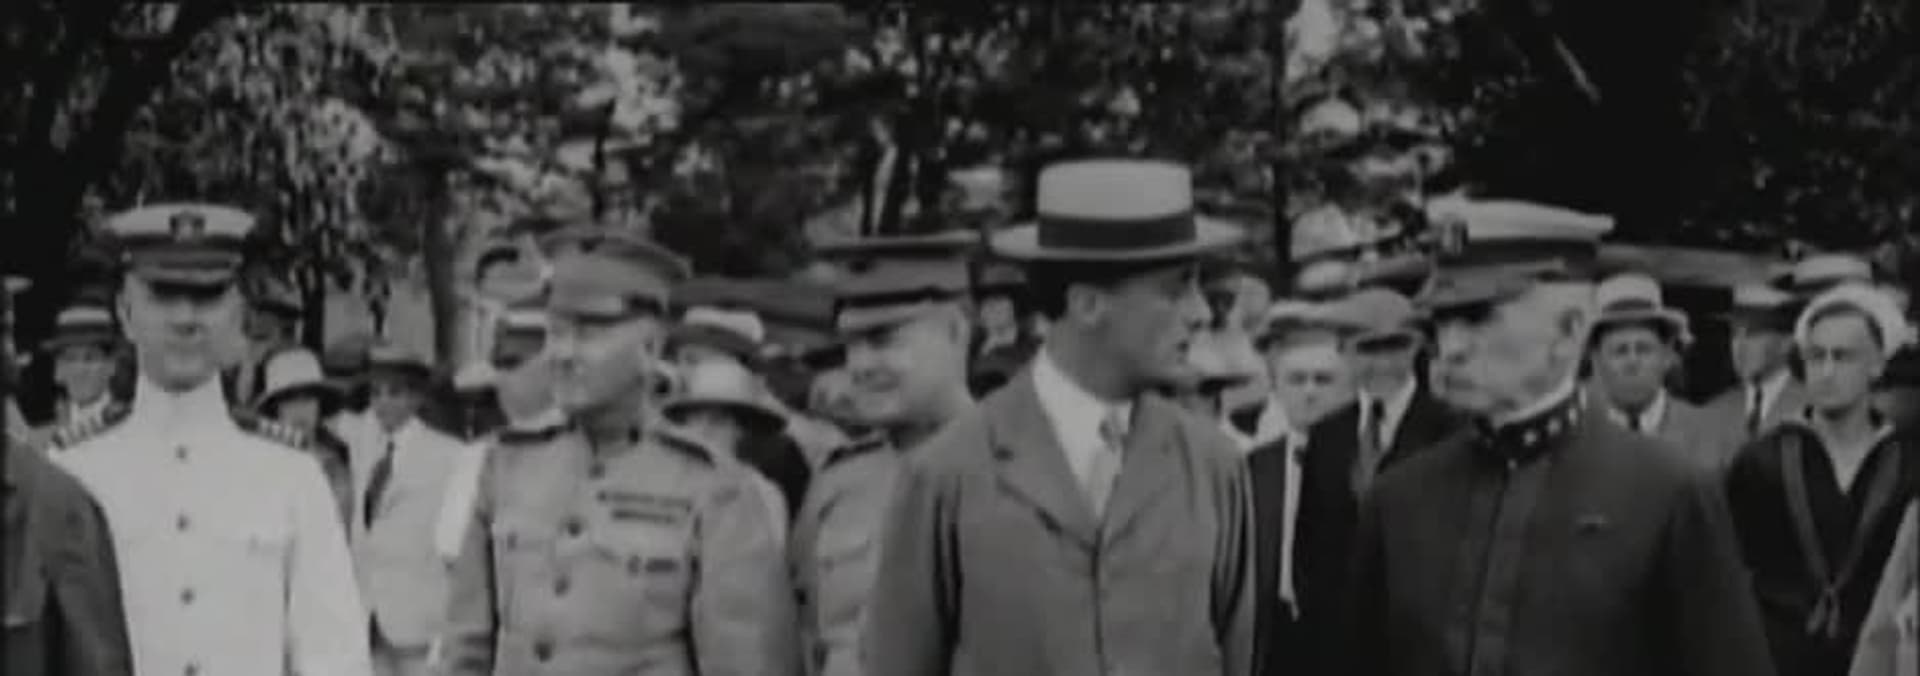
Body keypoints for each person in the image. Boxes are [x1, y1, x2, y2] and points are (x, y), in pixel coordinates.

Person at [1340, 197, 1775, 676]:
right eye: (1441, 322)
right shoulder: (1398, 502)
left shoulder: (1666, 494)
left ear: (1569, 332)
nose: (1451, 347)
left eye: (1478, 317)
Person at [863, 159, 1257, 675]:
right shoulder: (947, 474)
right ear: (1088, 305)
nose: (1200, 313)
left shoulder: (1212, 467)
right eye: (1175, 288)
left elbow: (1241, 657)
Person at [438, 223, 797, 675]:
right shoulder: (508, 463)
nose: (563, 354)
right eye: (556, 333)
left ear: (650, 347)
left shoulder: (713, 488)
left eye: (589, 335)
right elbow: (465, 649)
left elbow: (745, 663)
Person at [50, 202, 372, 675]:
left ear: (238, 313)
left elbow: (334, 655)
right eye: (162, 295)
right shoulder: (72, 472)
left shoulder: (291, 475)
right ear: (125, 311)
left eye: (207, 296)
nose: (186, 318)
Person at [791, 231, 980, 676]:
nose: (859, 366)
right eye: (850, 346)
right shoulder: (838, 483)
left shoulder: (1028, 471)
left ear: (955, 332)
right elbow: (809, 639)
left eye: (883, 340)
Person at [1725, 284, 1918, 676]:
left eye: (1843, 357)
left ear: (1877, 365)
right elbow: (1729, 572)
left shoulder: (1909, 464)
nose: (1826, 372)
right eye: (1816, 357)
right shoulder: (1761, 460)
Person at [340, 345, 470, 676]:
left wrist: (450, 630)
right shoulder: (365, 444)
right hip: (369, 619)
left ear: (416, 398)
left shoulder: (449, 455)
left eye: (394, 393)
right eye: (376, 393)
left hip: (422, 624)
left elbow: (459, 545)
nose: (383, 402)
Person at [1245, 315, 1356, 676]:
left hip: (1341, 641)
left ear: (1349, 388)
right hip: (1269, 640)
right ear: (1275, 388)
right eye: (1296, 380)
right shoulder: (1252, 467)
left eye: (1323, 380)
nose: (1310, 392)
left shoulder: (1365, 465)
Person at [666, 303, 813, 515]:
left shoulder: (776, 449)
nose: (680, 371)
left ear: (739, 368)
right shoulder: (661, 420)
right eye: (679, 360)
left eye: (694, 361)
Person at [1311, 286, 1460, 493]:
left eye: (1396, 346)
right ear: (1342, 350)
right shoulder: (1325, 435)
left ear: (1418, 345)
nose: (1383, 364)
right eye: (1368, 349)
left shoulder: (1453, 429)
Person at [1586, 272, 1740, 469]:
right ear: (1597, 361)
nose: (1632, 362)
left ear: (1667, 356)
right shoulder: (1574, 437)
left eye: (1644, 349)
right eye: (1620, 351)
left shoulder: (1713, 434)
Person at [658, 358, 795, 541]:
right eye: (694, 419)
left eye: (718, 421)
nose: (703, 431)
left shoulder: (765, 494)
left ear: (743, 429)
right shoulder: (663, 482)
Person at [254, 348, 355, 529]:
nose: (299, 410)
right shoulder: (259, 463)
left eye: (307, 399)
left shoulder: (334, 467)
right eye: (290, 400)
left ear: (319, 405)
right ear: (276, 409)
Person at [1706, 283, 1805, 444]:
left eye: (1752, 334)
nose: (1739, 346)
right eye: (1734, 333)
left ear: (1786, 343)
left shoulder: (1815, 407)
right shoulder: (1716, 409)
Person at [43, 304, 124, 429]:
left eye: (91, 358)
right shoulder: (46, 437)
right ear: (59, 370)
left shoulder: (134, 425)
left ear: (111, 365)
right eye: (70, 359)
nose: (80, 370)